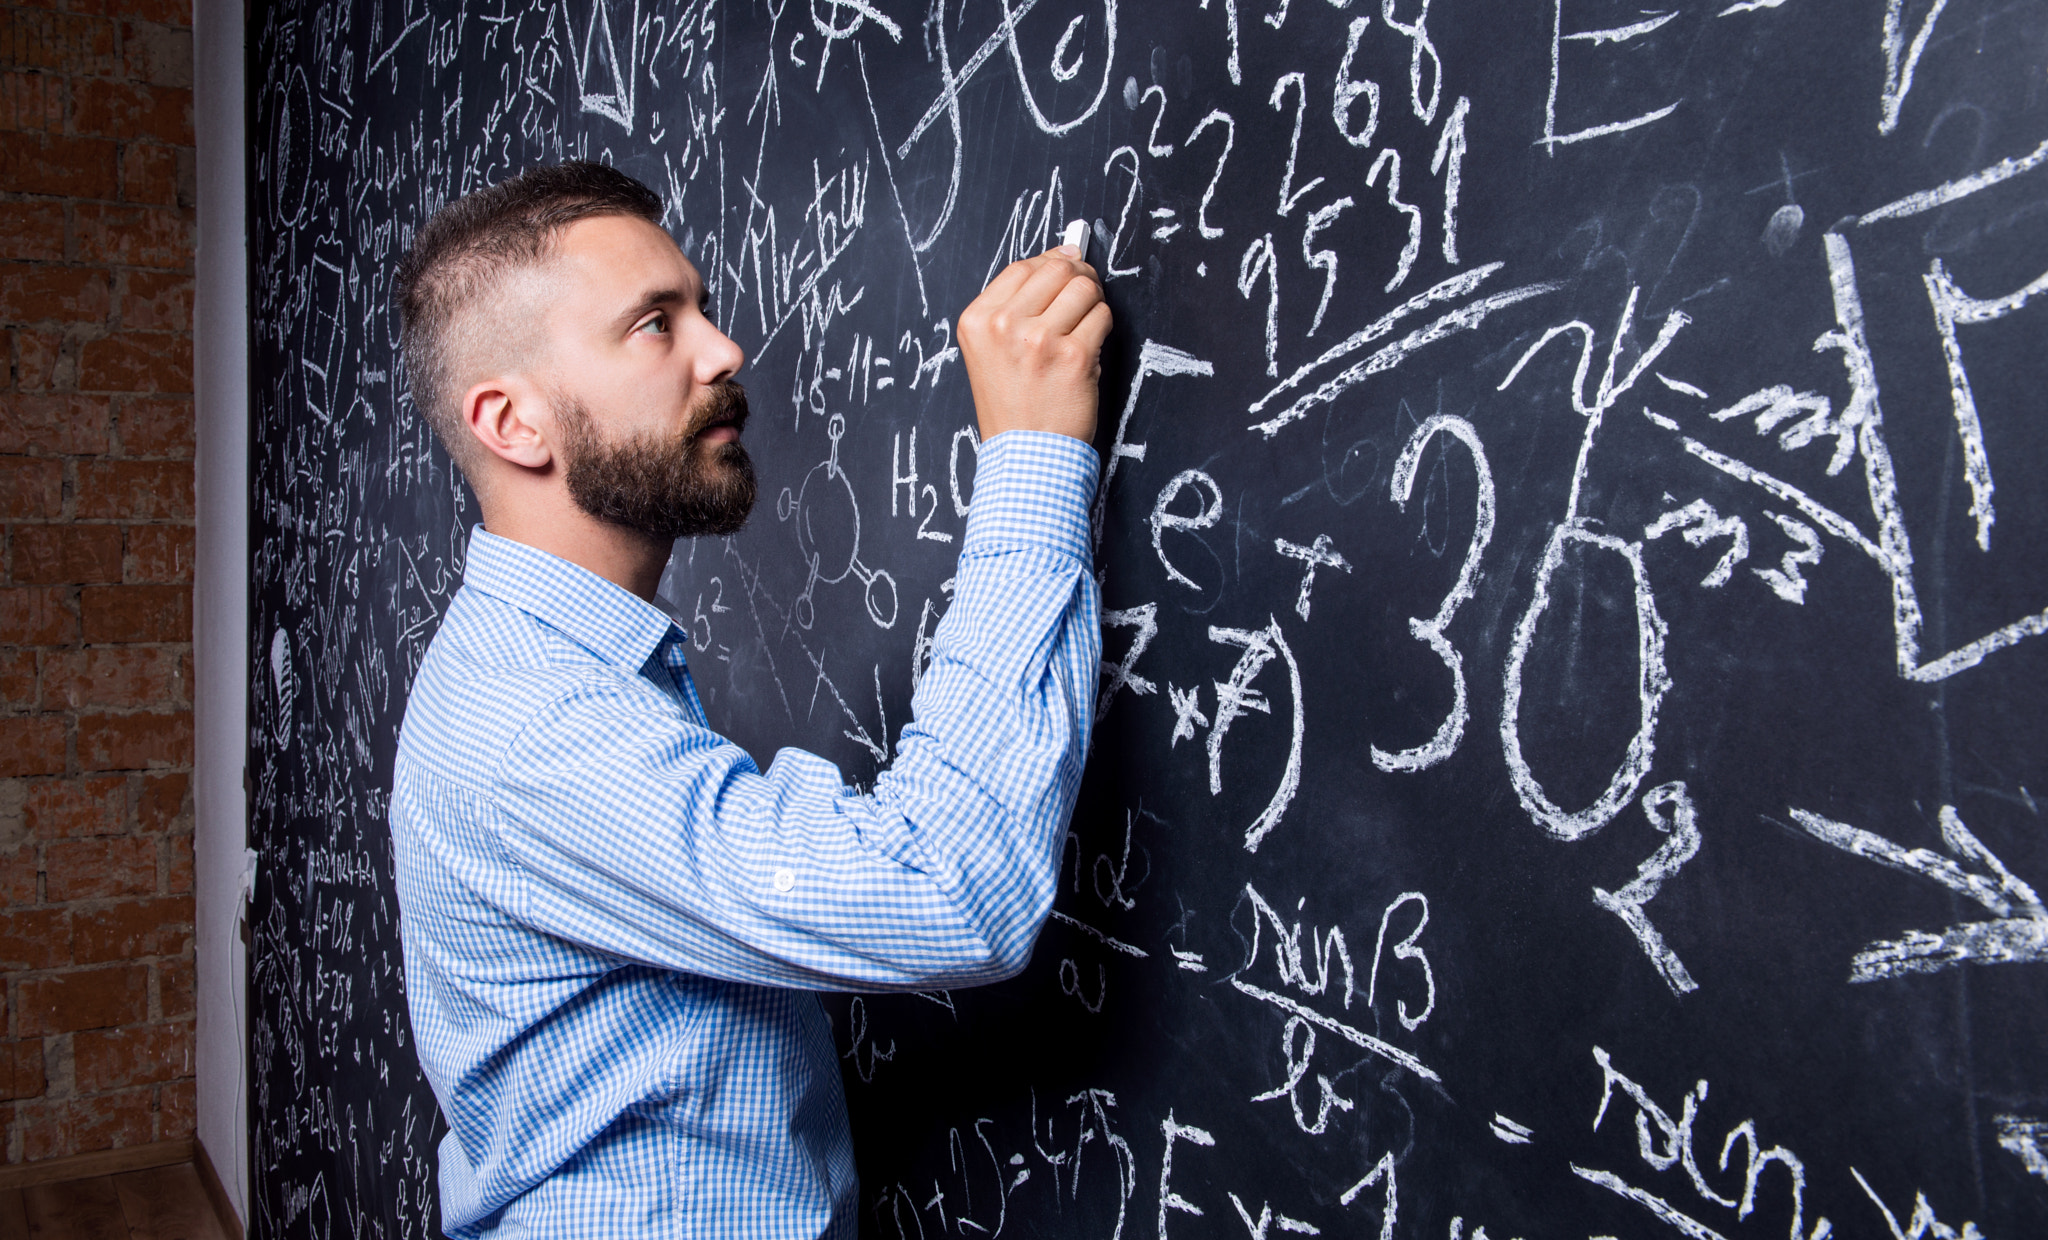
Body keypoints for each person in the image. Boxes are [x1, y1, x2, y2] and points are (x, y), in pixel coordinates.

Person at [387, 160, 1109, 1238]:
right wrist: (1034, 456)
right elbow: (950, 888)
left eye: (702, 308)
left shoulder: (554, 661)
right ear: (513, 422)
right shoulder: (533, 728)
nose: (722, 350)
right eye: (653, 324)